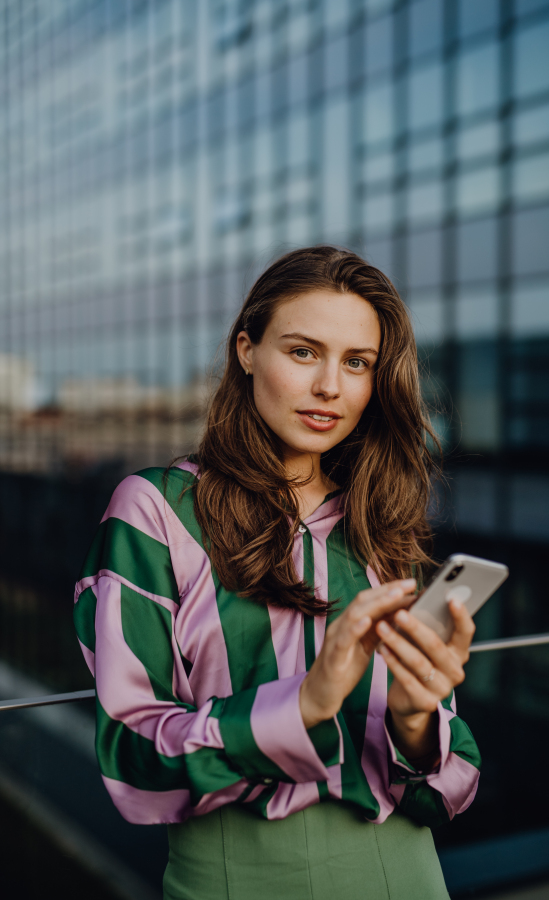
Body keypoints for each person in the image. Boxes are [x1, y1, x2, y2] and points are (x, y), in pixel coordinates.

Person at [74, 247, 480, 900]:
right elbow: (131, 758)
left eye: (357, 363)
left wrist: (413, 716)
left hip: (405, 869)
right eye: (302, 351)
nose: (330, 387)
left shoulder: (378, 524)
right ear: (246, 350)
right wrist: (306, 704)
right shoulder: (155, 511)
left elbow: (454, 780)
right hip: (238, 874)